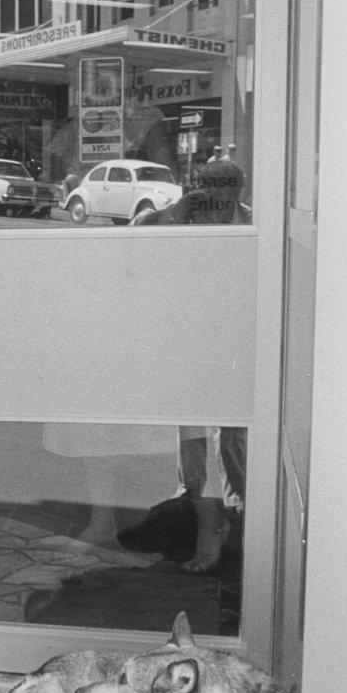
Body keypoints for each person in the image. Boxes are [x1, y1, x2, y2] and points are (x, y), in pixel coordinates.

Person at [132, 155, 249, 571]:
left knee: (233, 434)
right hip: (189, 337)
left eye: (221, 185)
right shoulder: (183, 217)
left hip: (237, 339)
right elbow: (135, 234)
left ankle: (243, 517)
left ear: (237, 190)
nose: (211, 193)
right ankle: (206, 522)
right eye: (204, 183)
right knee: (192, 433)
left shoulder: (253, 220)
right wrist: (176, 211)